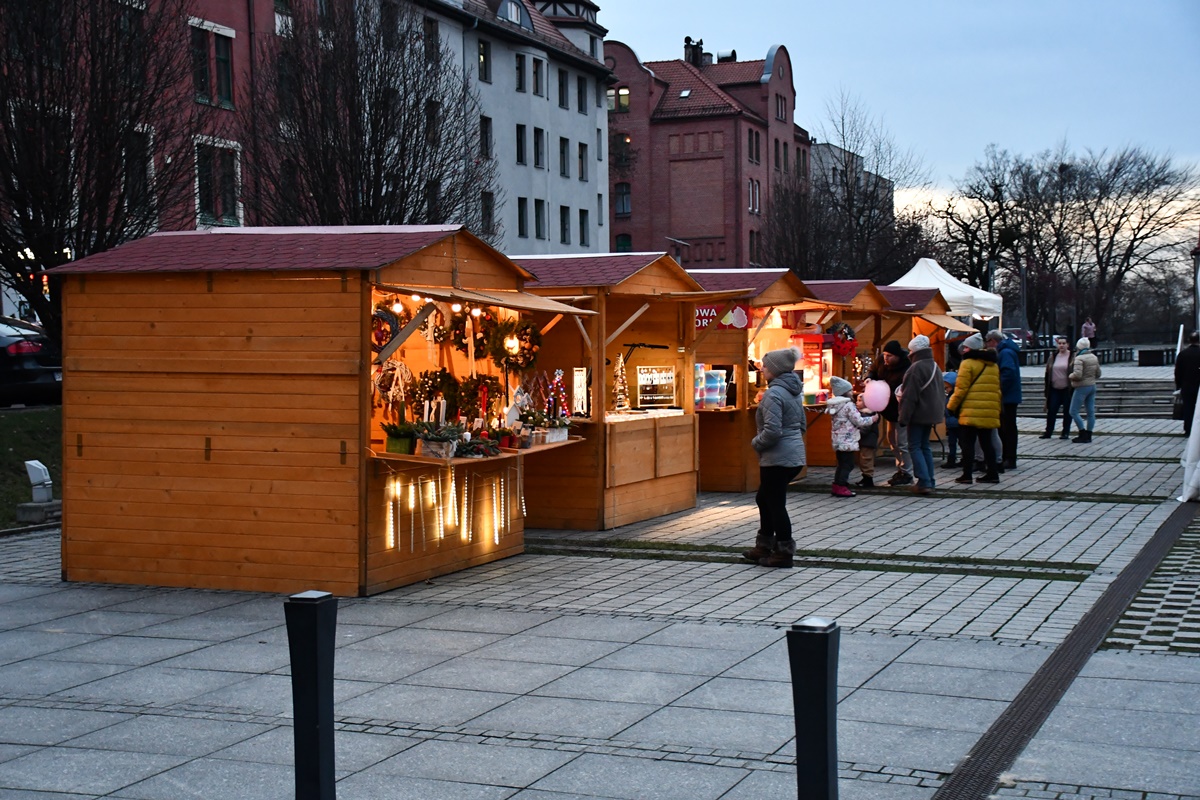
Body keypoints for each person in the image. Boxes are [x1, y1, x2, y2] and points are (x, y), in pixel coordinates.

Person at [742, 346, 806, 568]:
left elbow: (772, 430)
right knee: (765, 498)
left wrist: (756, 443)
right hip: (793, 454)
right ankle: (764, 545)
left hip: (777, 457)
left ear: (776, 369)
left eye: (766, 365)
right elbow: (802, 424)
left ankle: (783, 552)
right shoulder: (793, 391)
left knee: (775, 503)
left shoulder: (774, 394)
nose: (762, 368)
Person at [947, 333, 1001, 484]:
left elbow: (961, 389)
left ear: (970, 349)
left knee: (967, 443)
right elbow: (996, 388)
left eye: (965, 347)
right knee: (986, 443)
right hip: (988, 409)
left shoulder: (967, 363)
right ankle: (992, 473)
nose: (963, 350)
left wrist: (951, 406)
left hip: (970, 409)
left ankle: (967, 475)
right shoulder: (992, 364)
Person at [897, 335, 945, 495]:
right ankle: (930, 480)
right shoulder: (934, 365)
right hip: (931, 413)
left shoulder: (915, 368)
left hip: (918, 413)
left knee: (915, 446)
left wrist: (903, 417)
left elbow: (909, 397)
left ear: (914, 351)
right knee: (925, 446)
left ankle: (924, 481)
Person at [868, 340, 913, 486]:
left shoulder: (906, 366)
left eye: (890, 356)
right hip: (888, 409)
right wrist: (869, 378)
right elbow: (873, 370)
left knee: (902, 442)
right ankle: (900, 468)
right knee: (892, 441)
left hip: (900, 410)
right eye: (885, 355)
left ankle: (907, 471)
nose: (886, 358)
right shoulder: (881, 361)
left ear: (898, 356)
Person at [826, 376, 877, 497]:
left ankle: (837, 485)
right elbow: (858, 421)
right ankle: (841, 485)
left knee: (841, 464)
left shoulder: (835, 406)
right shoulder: (849, 405)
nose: (852, 392)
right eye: (850, 390)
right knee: (848, 465)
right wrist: (872, 419)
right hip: (848, 440)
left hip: (838, 440)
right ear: (845, 392)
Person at [986, 330, 1023, 469]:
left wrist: (998, 388)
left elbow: (1008, 373)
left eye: (987, 342)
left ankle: (1009, 458)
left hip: (1007, 397)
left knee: (1007, 428)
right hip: (1010, 396)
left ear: (993, 341)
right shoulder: (1007, 350)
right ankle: (1008, 457)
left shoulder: (1005, 353)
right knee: (1007, 428)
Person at [1041, 336, 1075, 439]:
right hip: (1054, 388)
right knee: (1052, 410)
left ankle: (1065, 432)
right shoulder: (1053, 356)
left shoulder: (1072, 357)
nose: (1061, 345)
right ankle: (1048, 432)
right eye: (1059, 343)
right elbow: (1047, 372)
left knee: (1067, 411)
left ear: (1068, 345)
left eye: (1064, 343)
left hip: (1067, 389)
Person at [1069, 337, 1101, 443]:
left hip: (1082, 387)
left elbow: (1077, 375)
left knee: (1073, 411)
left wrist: (1070, 376)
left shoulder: (1079, 358)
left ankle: (1082, 433)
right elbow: (1098, 374)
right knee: (1090, 412)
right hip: (1092, 385)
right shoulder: (1093, 357)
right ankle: (1089, 434)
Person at [1175, 332, 1200, 436]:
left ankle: (1188, 429)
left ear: (1189, 340)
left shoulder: (1183, 354)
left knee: (1188, 408)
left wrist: (1179, 386)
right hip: (1199, 385)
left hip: (1187, 385)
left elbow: (1178, 372)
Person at [941, 372, 960, 468]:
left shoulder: (953, 398)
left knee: (955, 442)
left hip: (955, 423)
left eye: (947, 387)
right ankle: (952, 458)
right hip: (952, 423)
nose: (946, 390)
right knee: (953, 442)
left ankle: (952, 459)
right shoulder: (949, 397)